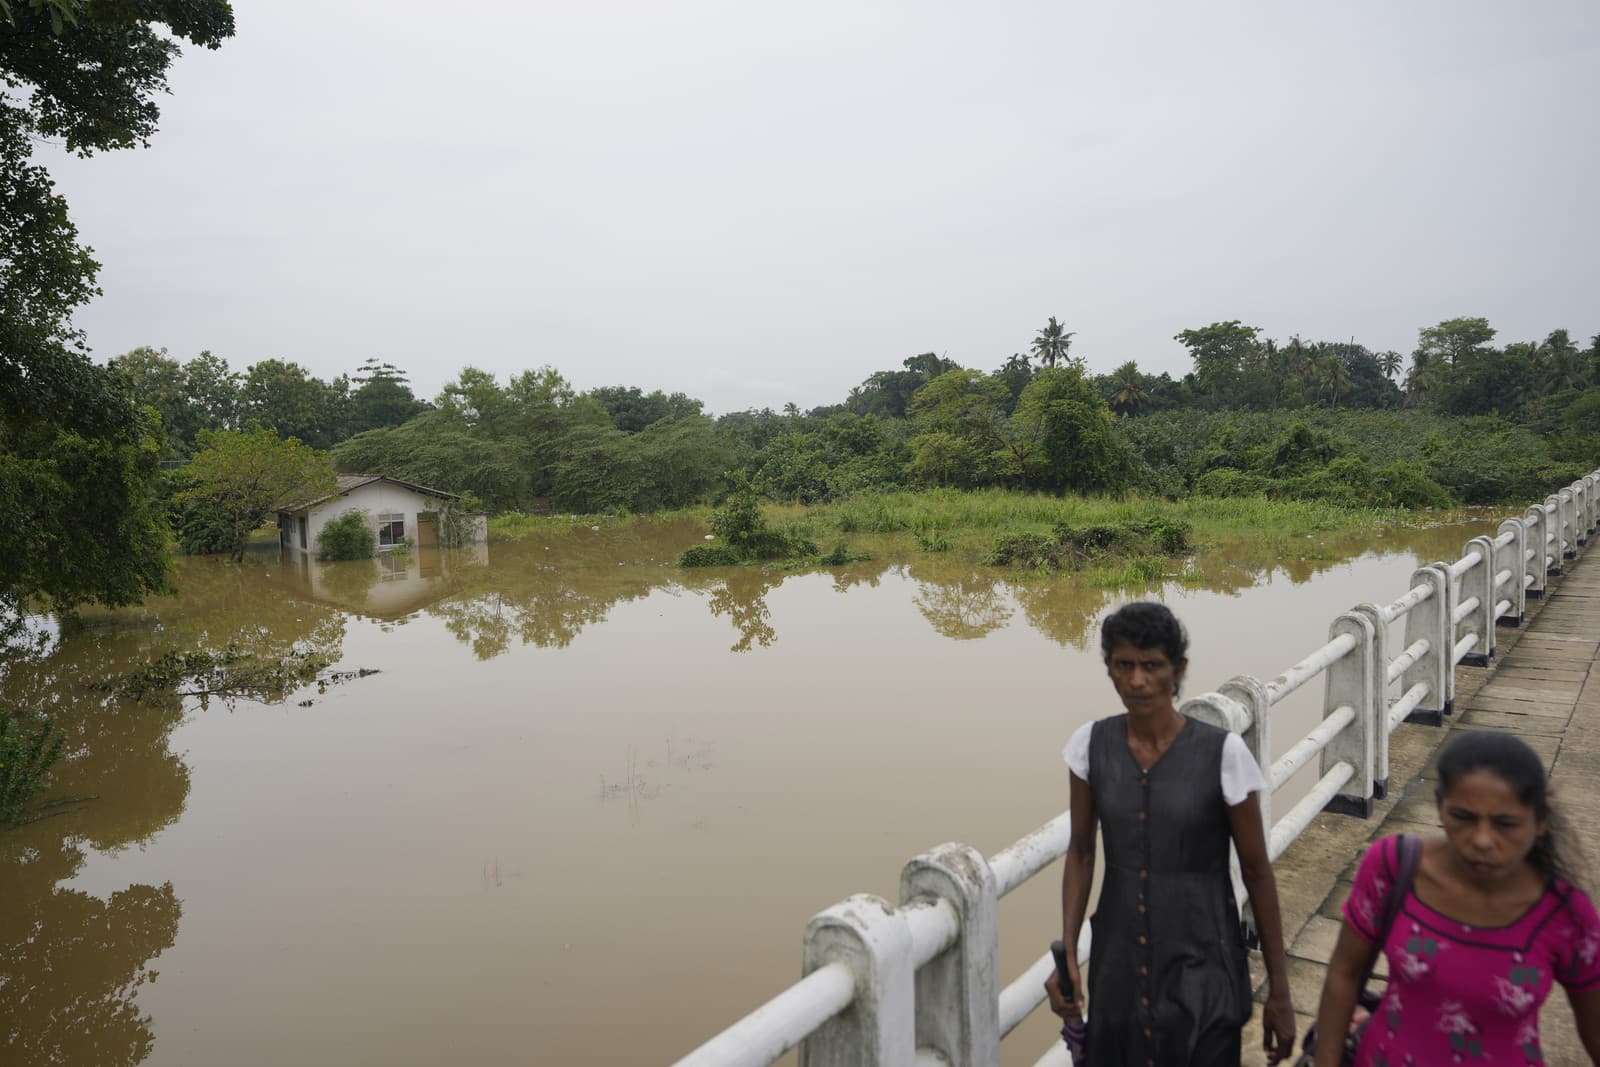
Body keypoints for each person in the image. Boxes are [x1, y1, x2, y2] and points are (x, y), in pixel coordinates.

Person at [1045, 601, 1296, 1064]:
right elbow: (1081, 854)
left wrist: (1280, 991)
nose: (1138, 681)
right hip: (1116, 966)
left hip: (1204, 967)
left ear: (1179, 670)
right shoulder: (1089, 747)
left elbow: (1258, 873)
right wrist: (1068, 963)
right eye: (1124, 665)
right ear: (1110, 670)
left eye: (1152, 666)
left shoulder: (1224, 755)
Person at [1309, 731, 1600, 1066]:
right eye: (1463, 818)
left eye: (1505, 824)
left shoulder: (1565, 915)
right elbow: (1344, 973)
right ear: (1439, 804)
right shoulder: (1393, 866)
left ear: (1540, 822)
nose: (1482, 840)